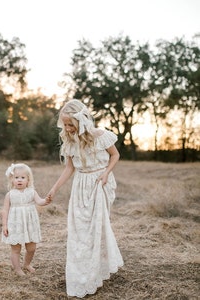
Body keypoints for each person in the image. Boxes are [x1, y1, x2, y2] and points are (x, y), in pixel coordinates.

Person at [48, 99, 124, 298]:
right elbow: (69, 168)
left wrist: (106, 173)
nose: (67, 128)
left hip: (101, 182)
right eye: (64, 124)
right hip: (80, 186)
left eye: (70, 124)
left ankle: (96, 271)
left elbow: (115, 155)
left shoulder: (101, 136)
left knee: (96, 228)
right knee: (80, 231)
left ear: (81, 121)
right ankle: (83, 273)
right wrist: (55, 189)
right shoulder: (69, 141)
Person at [1, 163, 51, 276]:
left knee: (31, 248)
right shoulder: (10, 194)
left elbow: (40, 201)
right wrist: (5, 225)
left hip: (30, 225)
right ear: (12, 180)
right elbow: (5, 210)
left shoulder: (32, 192)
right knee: (16, 249)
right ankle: (18, 269)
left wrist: (46, 200)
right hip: (15, 224)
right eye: (16, 177)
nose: (19, 180)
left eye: (23, 178)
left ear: (28, 180)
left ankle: (26, 264)